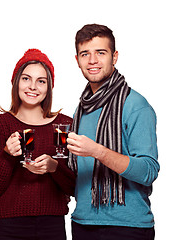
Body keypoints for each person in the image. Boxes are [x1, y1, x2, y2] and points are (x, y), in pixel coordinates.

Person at [67, 24, 160, 240]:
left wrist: (98, 151)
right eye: (85, 54)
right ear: (77, 60)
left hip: (128, 227)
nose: (92, 60)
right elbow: (77, 172)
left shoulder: (135, 105)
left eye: (101, 52)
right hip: (82, 224)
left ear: (114, 57)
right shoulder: (80, 109)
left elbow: (148, 171)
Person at [0, 49, 76, 240]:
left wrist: (54, 168)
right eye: (26, 79)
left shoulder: (64, 125)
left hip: (52, 224)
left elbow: (74, 188)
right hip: (10, 226)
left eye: (41, 81)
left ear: (49, 87)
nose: (33, 86)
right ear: (16, 81)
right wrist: (8, 155)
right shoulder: (0, 124)